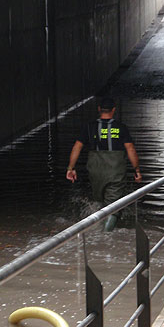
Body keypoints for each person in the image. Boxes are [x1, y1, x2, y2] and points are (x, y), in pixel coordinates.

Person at [66, 96, 142, 231]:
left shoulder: (89, 127)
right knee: (114, 205)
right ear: (113, 110)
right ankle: (105, 236)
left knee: (99, 201)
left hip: (95, 169)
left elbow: (77, 147)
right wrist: (136, 170)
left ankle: (97, 228)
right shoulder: (121, 128)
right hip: (115, 170)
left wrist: (71, 168)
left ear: (99, 109)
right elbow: (130, 149)